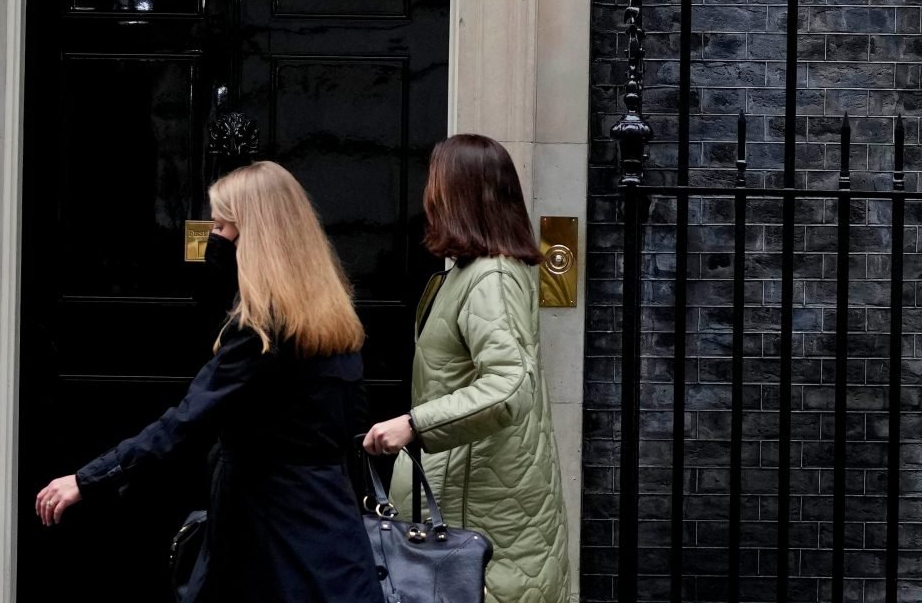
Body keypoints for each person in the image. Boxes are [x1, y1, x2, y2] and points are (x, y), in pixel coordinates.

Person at [34, 161, 377, 603]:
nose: (211, 239)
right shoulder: (332, 320)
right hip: (329, 529)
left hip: (266, 539)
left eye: (220, 226)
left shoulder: (262, 330)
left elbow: (186, 421)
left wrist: (88, 479)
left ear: (254, 237)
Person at [362, 134, 570, 603]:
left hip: (478, 502)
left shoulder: (489, 277)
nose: (427, 196)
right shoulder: (473, 272)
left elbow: (507, 384)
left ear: (458, 195)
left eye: (436, 184)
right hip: (479, 492)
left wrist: (414, 425)